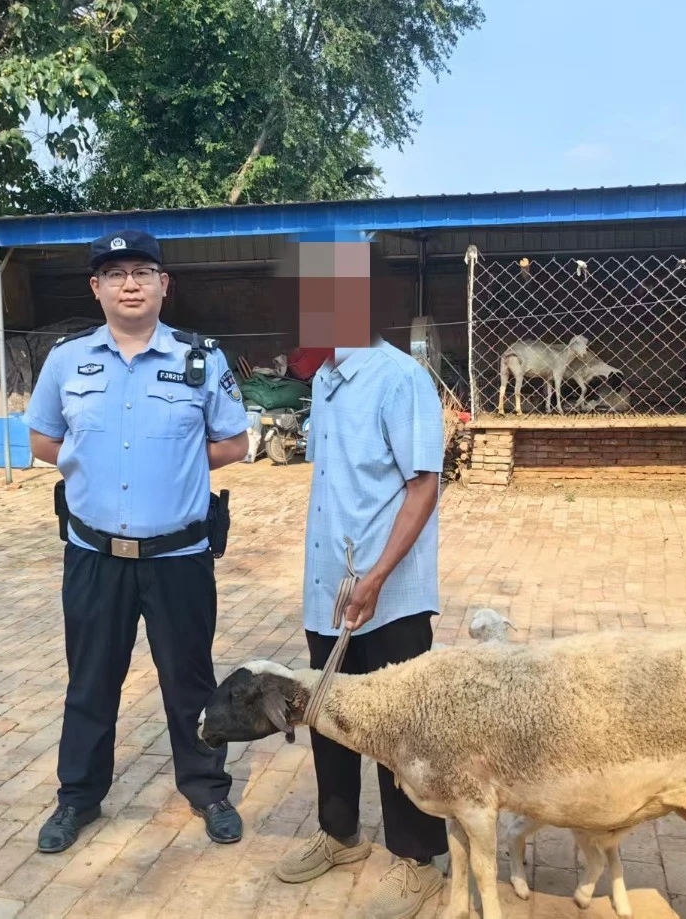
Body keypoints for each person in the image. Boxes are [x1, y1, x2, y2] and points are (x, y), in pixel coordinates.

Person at [23, 228, 249, 854]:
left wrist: (176, 462)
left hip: (179, 557)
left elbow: (234, 442)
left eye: (143, 272)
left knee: (190, 682)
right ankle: (77, 797)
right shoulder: (67, 361)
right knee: (90, 683)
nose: (131, 284)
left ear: (163, 285)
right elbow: (42, 439)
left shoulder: (202, 358)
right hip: (94, 557)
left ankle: (207, 789)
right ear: (96, 287)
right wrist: (93, 464)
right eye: (116, 274)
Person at [274, 268, 448, 919]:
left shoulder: (400, 378)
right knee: (330, 712)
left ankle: (418, 859)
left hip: (389, 592)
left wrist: (375, 576)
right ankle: (340, 834)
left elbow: (424, 485)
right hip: (329, 586)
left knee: (401, 724)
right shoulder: (325, 378)